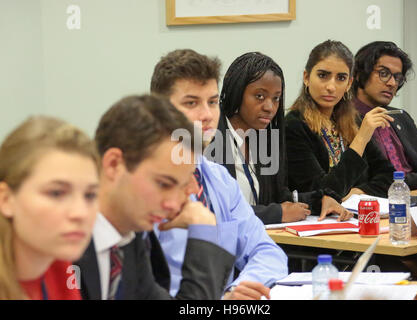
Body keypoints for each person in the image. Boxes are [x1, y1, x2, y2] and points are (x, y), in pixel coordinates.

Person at [151, 49, 287, 300]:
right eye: (191, 103)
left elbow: (267, 251)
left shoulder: (218, 179)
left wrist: (239, 290)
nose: (207, 115)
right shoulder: (144, 184)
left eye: (212, 102)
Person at [74, 94, 235, 300]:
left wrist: (203, 226)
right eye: (164, 184)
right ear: (114, 164)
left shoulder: (129, 239)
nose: (174, 204)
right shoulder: (59, 241)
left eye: (182, 186)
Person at [211, 51, 351, 224]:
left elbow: (277, 197)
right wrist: (276, 214)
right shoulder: (210, 138)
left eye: (276, 98)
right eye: (259, 96)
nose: (270, 107)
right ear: (237, 92)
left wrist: (319, 201)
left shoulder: (263, 139)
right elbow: (214, 210)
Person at [0, 116, 99, 300]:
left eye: (90, 195)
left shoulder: (58, 265)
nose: (80, 213)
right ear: (6, 200)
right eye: (56, 193)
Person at [285, 40, 395, 201]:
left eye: (341, 78)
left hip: (354, 215)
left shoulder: (354, 120)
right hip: (316, 221)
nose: (331, 86)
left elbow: (389, 177)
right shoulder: (293, 126)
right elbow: (323, 192)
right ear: (307, 77)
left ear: (349, 83)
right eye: (323, 75)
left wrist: (360, 192)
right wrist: (361, 139)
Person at [352, 41, 417, 190]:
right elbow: (383, 180)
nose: (392, 83)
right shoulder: (344, 120)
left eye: (397, 77)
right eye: (383, 73)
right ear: (359, 75)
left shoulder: (401, 117)